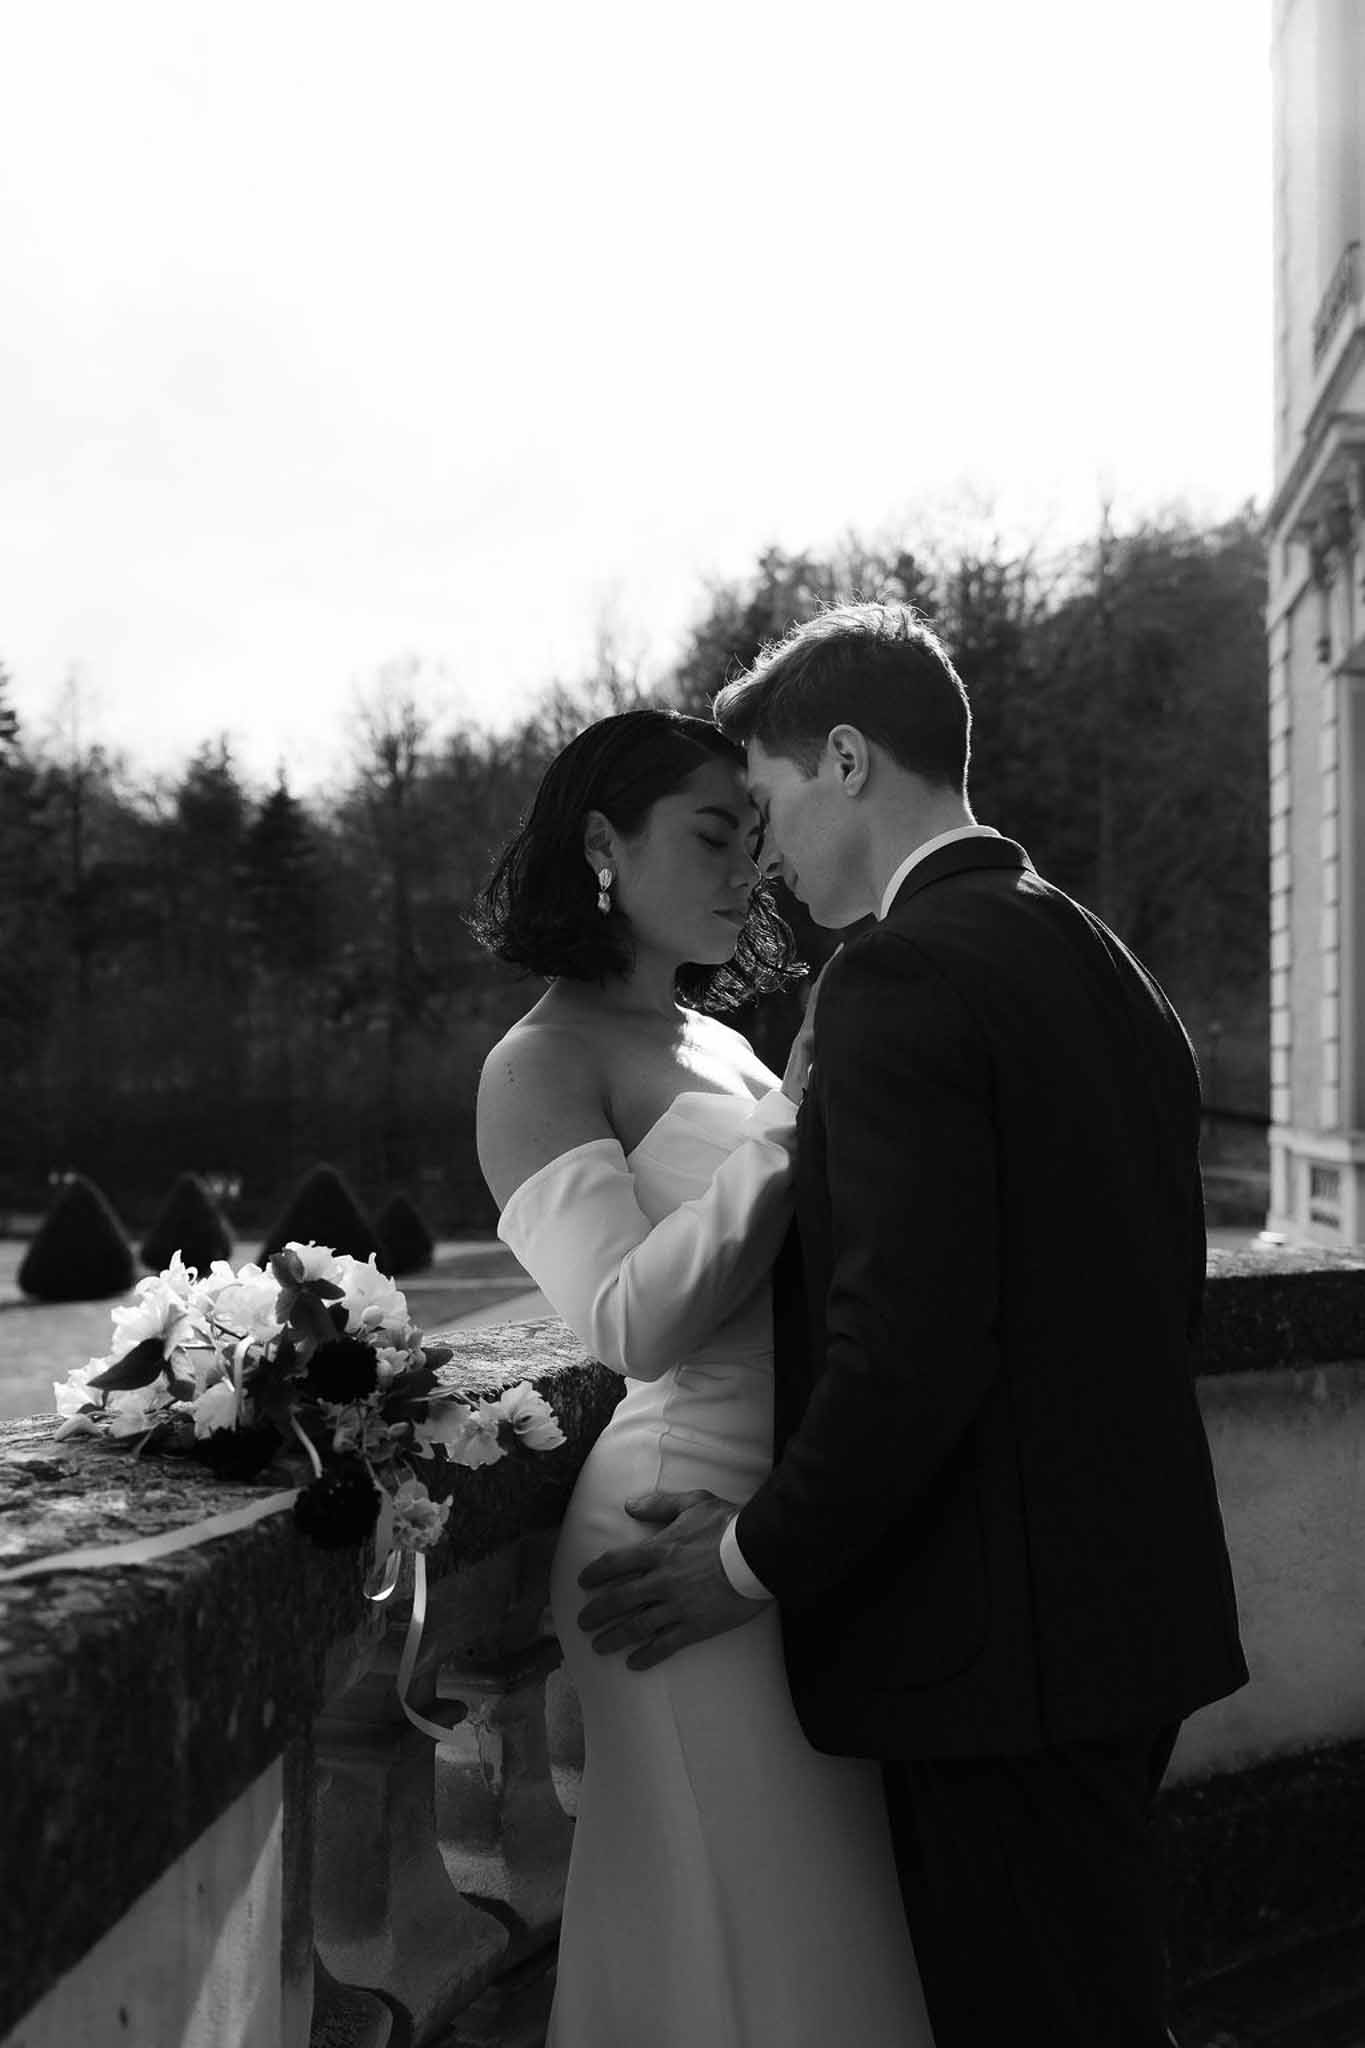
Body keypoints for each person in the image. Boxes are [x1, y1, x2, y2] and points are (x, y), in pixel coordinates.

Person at [574, 605, 1250, 2048]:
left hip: (993, 1648)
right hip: (1132, 1613)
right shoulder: (1097, 961)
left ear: (842, 757)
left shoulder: (897, 975)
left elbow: (907, 1347)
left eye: (762, 808)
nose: (764, 857)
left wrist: (750, 1561)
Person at [472, 707, 933, 2048]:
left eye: (753, 836)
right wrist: (791, 1119)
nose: (751, 869)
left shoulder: (720, 1044)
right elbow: (623, 1322)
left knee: (811, 1927)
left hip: (773, 1529)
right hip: (667, 1531)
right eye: (712, 835)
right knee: (748, 1932)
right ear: (601, 845)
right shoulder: (537, 1062)